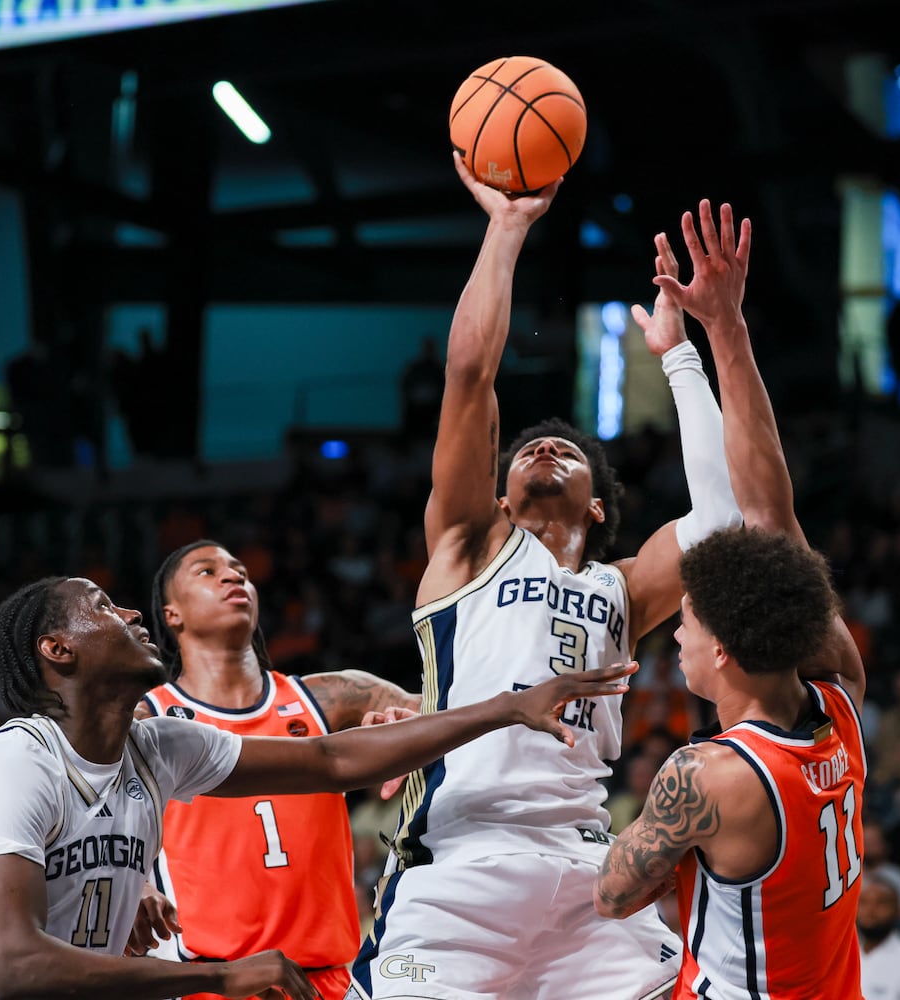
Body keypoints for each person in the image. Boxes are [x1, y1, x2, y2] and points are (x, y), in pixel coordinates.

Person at [347, 163, 742, 1000]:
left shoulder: (626, 589)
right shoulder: (469, 546)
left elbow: (722, 512)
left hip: (588, 871)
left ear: (599, 507)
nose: (541, 448)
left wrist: (678, 359)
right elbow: (468, 379)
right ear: (495, 495)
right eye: (526, 447)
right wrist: (507, 228)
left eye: (567, 449)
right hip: (457, 867)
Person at [0, 576, 634, 1000]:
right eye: (104, 606)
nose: (131, 612)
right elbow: (18, 968)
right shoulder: (17, 766)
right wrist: (224, 974)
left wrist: (503, 707)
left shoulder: (157, 748)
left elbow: (333, 764)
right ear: (57, 650)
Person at [594, 201, 868, 998]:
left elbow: (612, 893)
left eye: (683, 622)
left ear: (720, 649)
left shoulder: (706, 776)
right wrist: (718, 337)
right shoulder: (841, 706)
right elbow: (770, 518)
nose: (670, 638)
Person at [129, 540, 419, 1000]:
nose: (232, 576)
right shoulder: (148, 720)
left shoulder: (333, 696)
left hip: (329, 976)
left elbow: (444, 713)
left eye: (239, 569)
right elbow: (95, 812)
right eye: (207, 571)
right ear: (172, 615)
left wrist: (405, 724)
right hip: (211, 979)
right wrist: (135, 881)